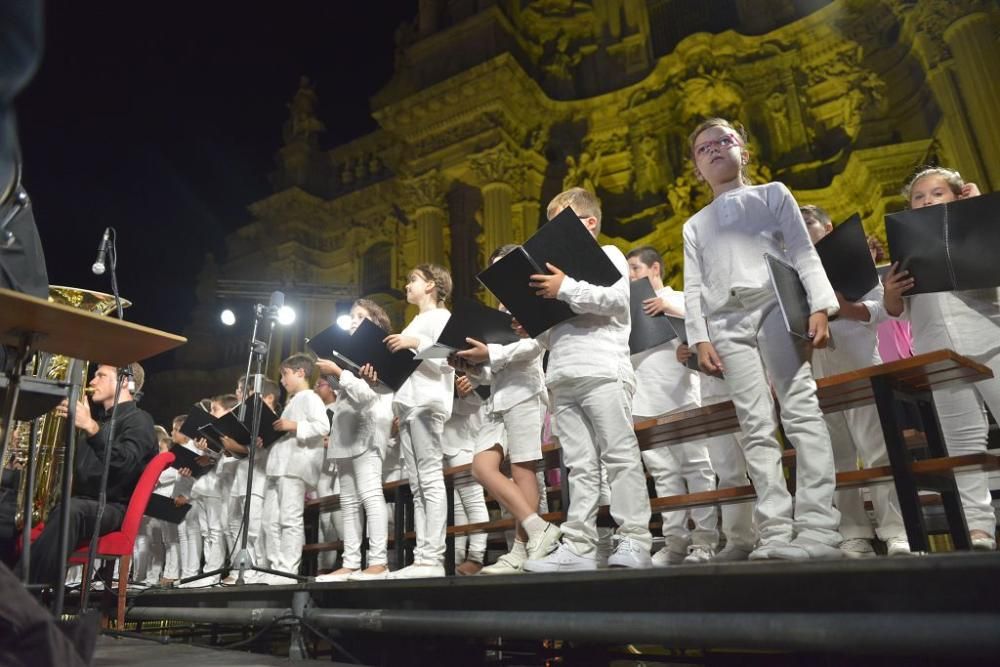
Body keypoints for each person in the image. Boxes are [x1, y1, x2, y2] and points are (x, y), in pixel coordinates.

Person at [681, 118, 842, 560]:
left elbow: (802, 250)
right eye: (703, 149)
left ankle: (818, 528)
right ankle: (774, 529)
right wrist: (700, 338)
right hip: (727, 320)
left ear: (743, 152)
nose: (714, 150)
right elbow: (693, 287)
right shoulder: (694, 224)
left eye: (723, 141)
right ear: (697, 168)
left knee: (800, 410)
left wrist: (819, 305)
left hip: (775, 302)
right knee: (753, 425)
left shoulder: (773, 193)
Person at [522, 187, 653, 572]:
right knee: (579, 464)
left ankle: (634, 539)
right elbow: (552, 334)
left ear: (589, 223)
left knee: (619, 455)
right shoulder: (552, 272)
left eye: (559, 224)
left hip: (602, 368)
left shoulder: (607, 254)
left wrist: (564, 288)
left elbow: (615, 301)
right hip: (562, 372)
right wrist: (530, 321)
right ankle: (579, 544)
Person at [883, 167, 997, 551]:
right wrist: (891, 291)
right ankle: (979, 527)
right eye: (919, 197)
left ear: (955, 195)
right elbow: (895, 312)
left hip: (989, 338)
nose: (927, 201)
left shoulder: (980, 226)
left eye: (937, 194)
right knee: (962, 443)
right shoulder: (907, 248)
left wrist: (977, 211)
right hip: (938, 353)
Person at [801, 205, 911, 557]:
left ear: (828, 227)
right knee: (835, 458)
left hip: (861, 365)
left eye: (808, 225)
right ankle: (853, 531)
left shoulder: (850, 258)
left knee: (878, 450)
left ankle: (896, 529)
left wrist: (846, 309)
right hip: (815, 373)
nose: (803, 232)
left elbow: (883, 309)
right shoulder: (793, 271)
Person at [454, 244, 555, 575]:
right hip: (498, 399)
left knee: (524, 471)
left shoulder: (534, 296)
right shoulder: (497, 308)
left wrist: (491, 354)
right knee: (482, 467)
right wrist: (470, 365)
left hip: (526, 392)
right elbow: (490, 369)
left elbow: (536, 345)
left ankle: (522, 549)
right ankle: (539, 531)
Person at [20, 363, 156, 585]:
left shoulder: (140, 420)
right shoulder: (100, 422)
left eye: (101, 375)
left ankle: (24, 593)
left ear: (124, 381)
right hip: (80, 502)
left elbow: (125, 463)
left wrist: (91, 428)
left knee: (71, 510)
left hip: (110, 507)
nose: (92, 382)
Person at [627, 245, 719, 564]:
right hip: (642, 399)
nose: (630, 276)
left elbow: (704, 321)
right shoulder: (628, 310)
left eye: (635, 269)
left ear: (655, 269)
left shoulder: (678, 298)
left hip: (682, 396)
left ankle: (705, 540)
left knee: (698, 467)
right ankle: (675, 541)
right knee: (663, 473)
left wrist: (667, 306)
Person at [315, 299, 396, 582]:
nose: (351, 320)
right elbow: (349, 393)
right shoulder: (347, 353)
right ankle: (350, 562)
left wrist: (339, 373)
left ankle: (378, 561)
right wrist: (336, 376)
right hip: (345, 428)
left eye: (359, 316)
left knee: (371, 495)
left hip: (367, 429)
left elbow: (367, 396)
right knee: (348, 501)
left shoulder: (381, 353)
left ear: (375, 323)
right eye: (351, 316)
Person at [384, 264, 455, 579]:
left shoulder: (442, 317)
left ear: (431, 285)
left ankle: (433, 557)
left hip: (428, 401)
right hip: (410, 403)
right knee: (417, 485)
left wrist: (412, 343)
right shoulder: (416, 320)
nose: (406, 285)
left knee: (429, 479)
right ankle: (422, 556)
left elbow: (448, 358)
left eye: (412, 280)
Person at [262, 354, 329, 583]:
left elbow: (322, 426)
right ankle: (272, 566)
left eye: (285, 374)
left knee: (290, 519)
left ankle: (287, 569)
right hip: (279, 466)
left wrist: (293, 425)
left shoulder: (310, 397)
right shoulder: (293, 401)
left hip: (295, 465)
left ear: (301, 372)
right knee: (269, 521)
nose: (282, 381)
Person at [441, 373, 490, 575]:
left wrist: (439, 403)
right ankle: (457, 557)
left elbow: (472, 405)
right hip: (439, 443)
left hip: (461, 442)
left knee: (473, 501)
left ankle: (477, 557)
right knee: (456, 507)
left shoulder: (459, 371)